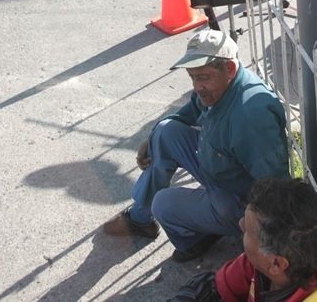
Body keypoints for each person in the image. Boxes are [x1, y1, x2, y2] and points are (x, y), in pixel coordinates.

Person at [103, 30, 290, 262]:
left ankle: (196, 236)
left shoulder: (251, 118)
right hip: (220, 167)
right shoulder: (219, 87)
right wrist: (152, 137)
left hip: (240, 200)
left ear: (229, 69)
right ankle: (141, 219)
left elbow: (278, 189)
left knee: (163, 204)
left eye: (203, 77)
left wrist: (257, 232)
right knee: (165, 132)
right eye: (192, 77)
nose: (197, 86)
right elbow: (190, 111)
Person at [169, 178, 317, 302]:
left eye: (247, 230)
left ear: (276, 263)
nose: (240, 225)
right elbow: (214, 288)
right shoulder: (292, 255)